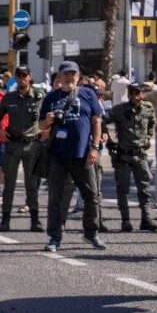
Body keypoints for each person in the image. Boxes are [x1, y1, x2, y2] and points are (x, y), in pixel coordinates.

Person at [37, 61, 106, 254]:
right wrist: (48, 121)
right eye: (66, 74)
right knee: (55, 198)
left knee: (91, 195)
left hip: (82, 154)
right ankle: (54, 237)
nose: (70, 77)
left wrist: (95, 147)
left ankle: (91, 233)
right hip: (58, 155)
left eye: (73, 74)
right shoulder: (51, 97)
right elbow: (41, 126)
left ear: (78, 76)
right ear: (59, 76)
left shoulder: (88, 93)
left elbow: (96, 121)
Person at [104, 81, 157, 232]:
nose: (134, 96)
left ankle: (146, 219)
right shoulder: (119, 110)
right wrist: (109, 142)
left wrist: (148, 138)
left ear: (142, 93)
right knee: (122, 189)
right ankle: (125, 220)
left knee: (145, 188)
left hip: (140, 154)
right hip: (123, 155)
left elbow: (152, 124)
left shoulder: (148, 109)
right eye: (132, 93)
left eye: (137, 93)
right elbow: (102, 121)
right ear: (128, 94)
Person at [0, 68, 45, 232]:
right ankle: (5, 220)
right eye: (19, 76)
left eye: (24, 76)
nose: (22, 78)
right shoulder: (9, 97)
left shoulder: (40, 96)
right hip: (13, 145)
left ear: (30, 77)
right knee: (9, 184)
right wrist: (0, 131)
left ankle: (35, 220)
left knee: (31, 185)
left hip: (32, 145)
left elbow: (47, 116)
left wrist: (46, 132)